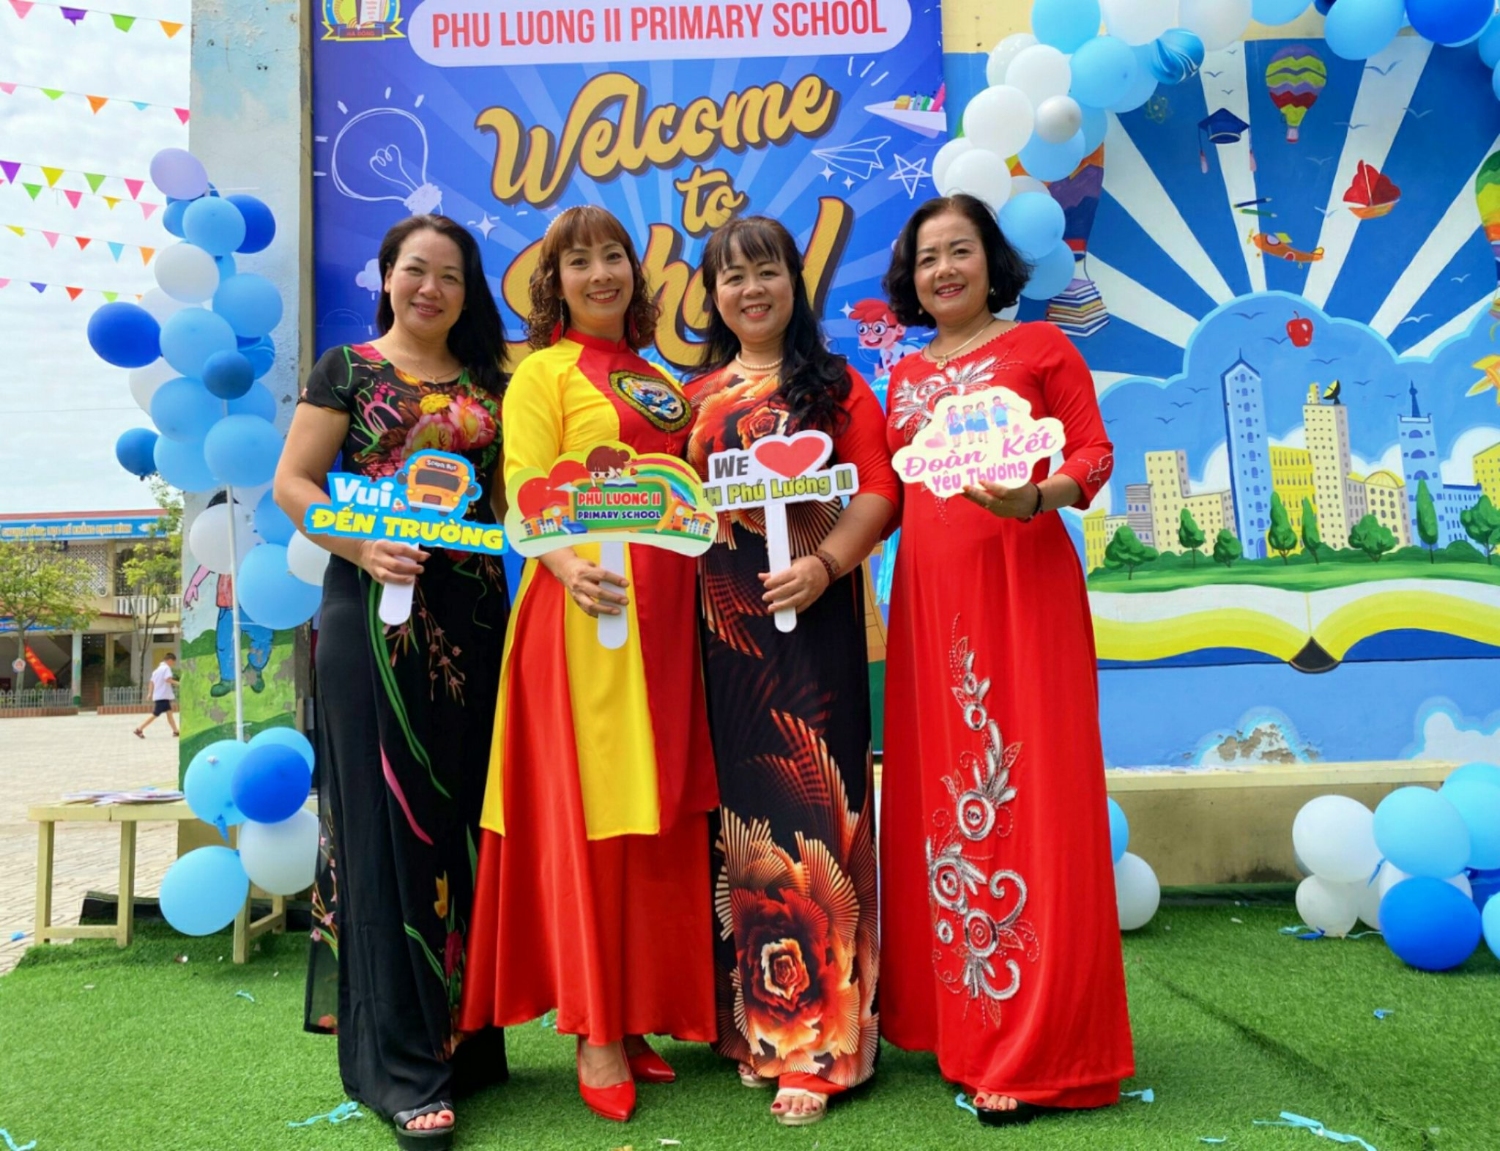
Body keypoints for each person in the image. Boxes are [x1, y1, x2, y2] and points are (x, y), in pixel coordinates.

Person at [878, 194, 1134, 1127]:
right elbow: (887, 488)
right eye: (927, 257)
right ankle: (968, 1024)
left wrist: (1040, 497)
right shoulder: (904, 377)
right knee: (946, 799)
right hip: (930, 606)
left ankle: (1040, 1048)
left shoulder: (1040, 349)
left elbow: (1095, 453)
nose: (943, 269)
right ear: (910, 279)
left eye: (960, 250)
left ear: (992, 261)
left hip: (1024, 595)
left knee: (1034, 797)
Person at [459, 205, 719, 1124]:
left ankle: (637, 1010)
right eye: (580, 261)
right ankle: (594, 1028)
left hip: (666, 624)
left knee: (652, 812)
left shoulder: (660, 378)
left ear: (635, 274)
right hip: (583, 615)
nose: (601, 272)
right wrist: (568, 567)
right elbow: (520, 490)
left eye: (614, 256)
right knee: (592, 812)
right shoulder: (541, 372)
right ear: (554, 283)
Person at [273, 214, 511, 1151]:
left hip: (474, 621)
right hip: (371, 615)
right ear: (386, 277)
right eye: (415, 269)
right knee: (384, 825)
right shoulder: (349, 368)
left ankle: (465, 1044)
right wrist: (362, 545)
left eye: (450, 275)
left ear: (467, 291)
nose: (430, 288)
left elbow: (513, 502)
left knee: (459, 822)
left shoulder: (492, 383)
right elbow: (295, 483)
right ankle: (401, 1068)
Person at [684, 216, 897, 1127]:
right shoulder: (694, 398)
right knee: (739, 825)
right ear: (712, 295)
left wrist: (825, 564)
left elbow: (881, 489)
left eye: (766, 270)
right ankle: (755, 1031)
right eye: (731, 277)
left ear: (792, 282)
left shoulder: (837, 385)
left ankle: (825, 1048)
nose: (751, 290)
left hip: (814, 630)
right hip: (724, 635)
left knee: (819, 812)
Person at [132, 652, 178, 738]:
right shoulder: (166, 668)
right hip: (163, 696)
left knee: (169, 713)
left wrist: (150, 693)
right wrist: (179, 683)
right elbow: (168, 679)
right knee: (155, 714)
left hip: (161, 696)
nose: (173, 664)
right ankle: (139, 729)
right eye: (173, 662)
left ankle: (175, 731)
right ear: (170, 660)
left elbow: (151, 682)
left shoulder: (156, 670)